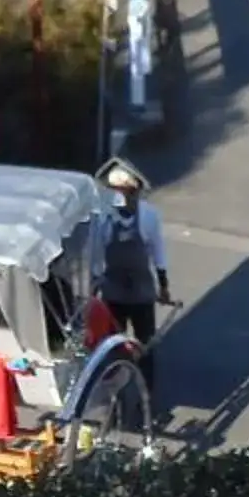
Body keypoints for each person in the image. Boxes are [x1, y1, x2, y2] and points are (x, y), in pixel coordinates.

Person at [92, 154, 173, 371]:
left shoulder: (148, 215)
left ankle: (145, 389)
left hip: (141, 291)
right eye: (114, 191)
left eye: (124, 191)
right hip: (112, 290)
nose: (119, 197)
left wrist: (163, 285)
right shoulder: (101, 216)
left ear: (135, 191)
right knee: (110, 346)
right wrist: (93, 287)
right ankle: (115, 389)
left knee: (145, 345)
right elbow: (95, 252)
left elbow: (158, 250)